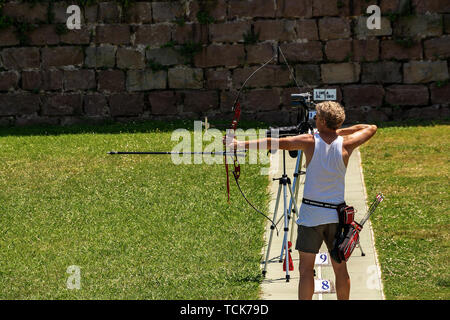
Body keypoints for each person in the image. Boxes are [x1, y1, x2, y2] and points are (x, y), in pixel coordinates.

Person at [225, 101, 377, 300]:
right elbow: (370, 127)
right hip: (336, 216)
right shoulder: (347, 143)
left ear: (322, 120)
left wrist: (238, 145)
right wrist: (335, 131)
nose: (314, 119)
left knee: (306, 270)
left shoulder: (310, 141)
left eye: (317, 117)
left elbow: (275, 142)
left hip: (311, 215)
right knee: (340, 268)